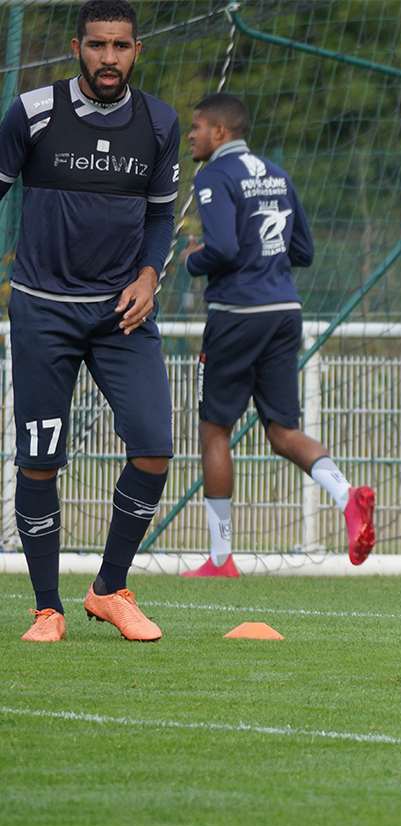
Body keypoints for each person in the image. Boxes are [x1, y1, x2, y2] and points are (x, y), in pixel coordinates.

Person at [7, 0, 181, 643]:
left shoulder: (160, 122)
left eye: (122, 46)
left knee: (155, 446)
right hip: (42, 313)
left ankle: (108, 589)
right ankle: (47, 608)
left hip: (121, 315)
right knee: (40, 462)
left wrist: (149, 275)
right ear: (77, 47)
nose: (110, 58)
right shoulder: (32, 112)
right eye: (98, 45)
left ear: (137, 49)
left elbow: (161, 217)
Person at [178, 92, 375, 577]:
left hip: (237, 314)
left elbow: (221, 248)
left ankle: (221, 558)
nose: (191, 135)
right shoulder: (277, 174)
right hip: (285, 310)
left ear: (220, 133)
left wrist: (192, 259)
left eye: (197, 127)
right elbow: (302, 250)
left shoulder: (213, 176)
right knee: (283, 432)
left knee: (214, 430)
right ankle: (347, 495)